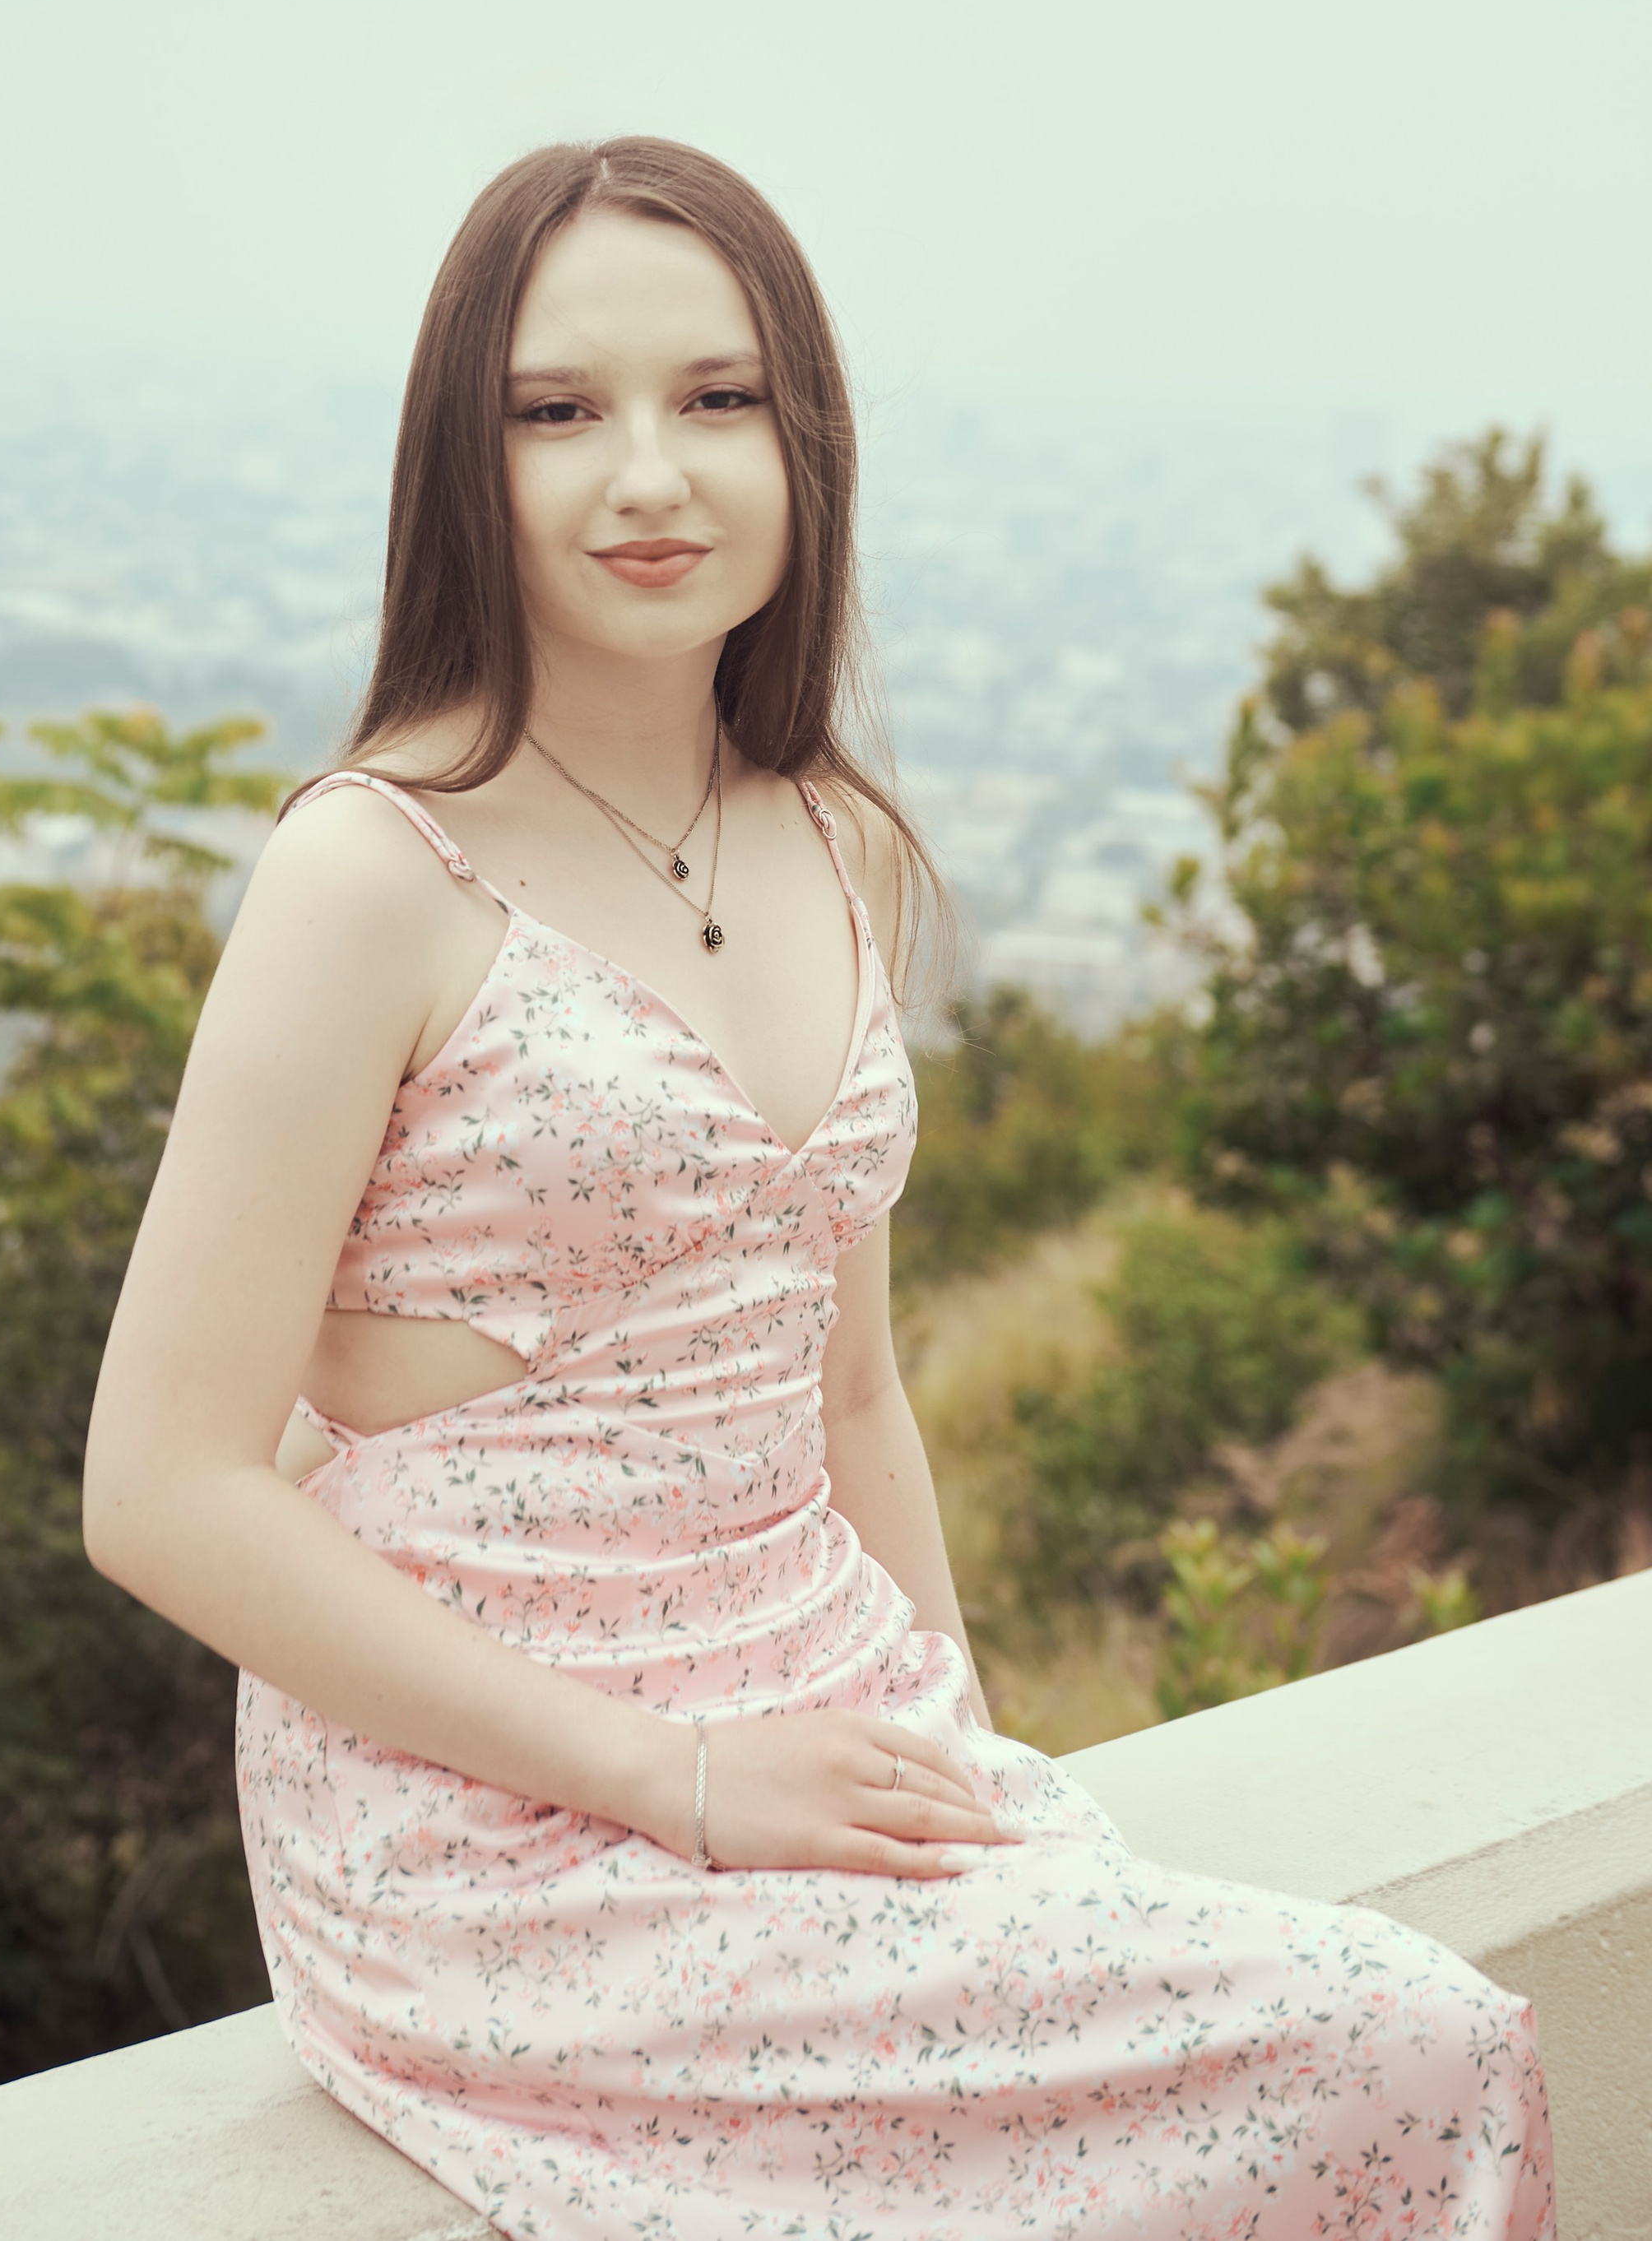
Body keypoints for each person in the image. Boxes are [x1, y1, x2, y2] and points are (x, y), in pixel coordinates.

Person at [83, 139, 1552, 2239]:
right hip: (495, 1826)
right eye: (557, 411)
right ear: (458, 465)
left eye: (716, 396)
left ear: (805, 441)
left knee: (1350, 2055)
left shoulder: (831, 838)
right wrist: (678, 1780)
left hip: (825, 1706)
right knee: (1408, 2039)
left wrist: (960, 1754)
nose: (647, 475)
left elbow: (844, 1394)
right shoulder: (371, 872)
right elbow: (157, 1486)